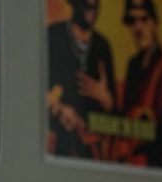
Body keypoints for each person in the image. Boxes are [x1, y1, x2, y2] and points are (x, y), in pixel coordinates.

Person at [113, 0, 162, 169]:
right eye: (132, 21)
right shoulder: (133, 66)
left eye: (144, 20)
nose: (138, 28)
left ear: (154, 24)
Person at [46, 0, 116, 159]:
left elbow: (115, 109)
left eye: (95, 3)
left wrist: (105, 98)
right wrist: (58, 109)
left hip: (92, 150)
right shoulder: (53, 35)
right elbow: (32, 89)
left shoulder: (102, 46)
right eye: (86, 3)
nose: (91, 6)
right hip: (57, 147)